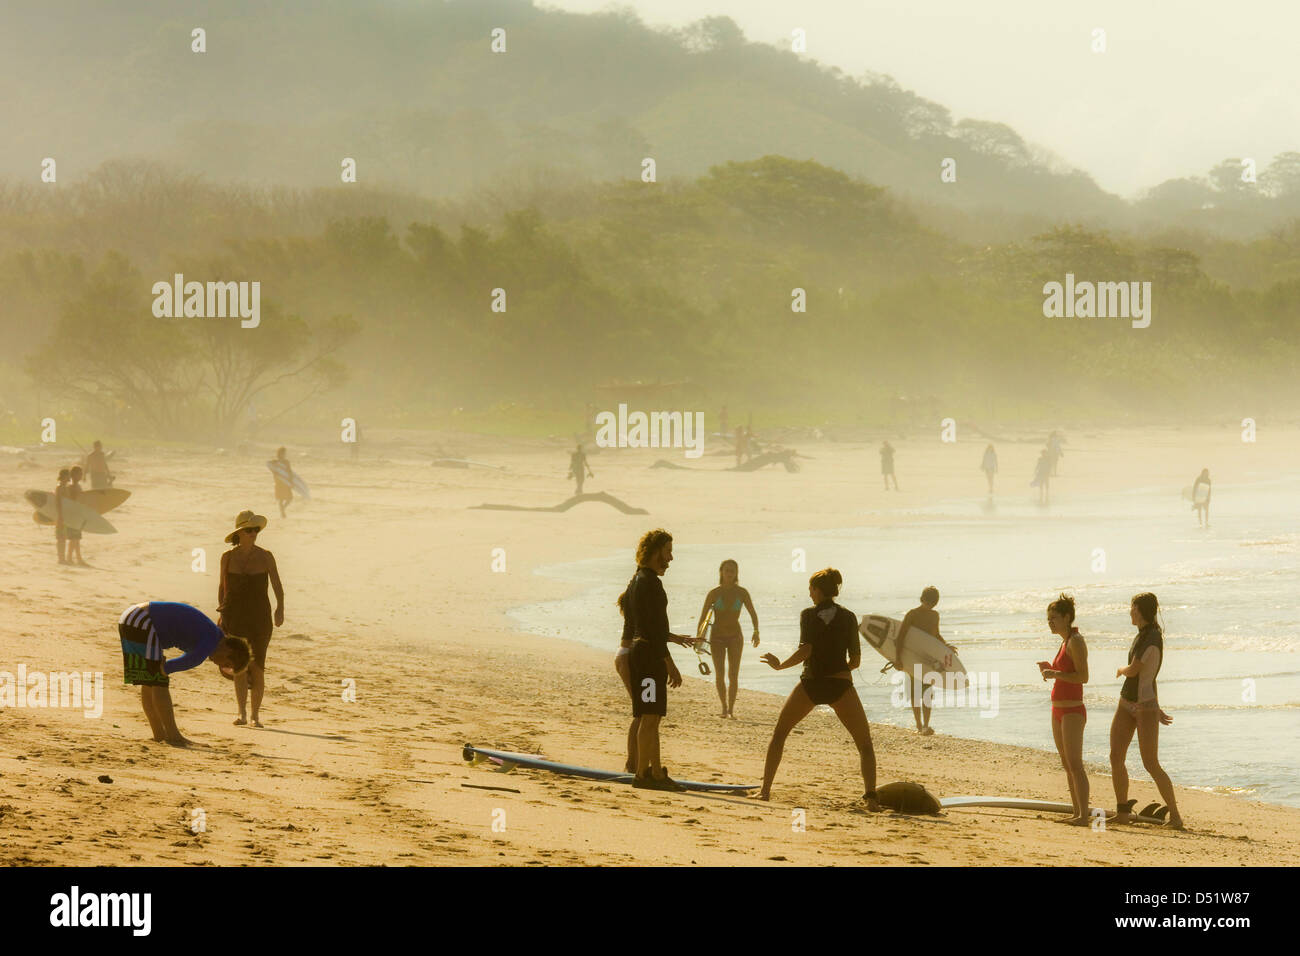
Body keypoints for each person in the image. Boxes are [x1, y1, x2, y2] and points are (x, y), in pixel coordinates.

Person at [759, 568, 880, 809]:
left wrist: (781, 666)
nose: (809, 593)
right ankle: (871, 799)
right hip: (840, 685)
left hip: (812, 684)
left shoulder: (808, 615)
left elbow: (807, 650)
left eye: (811, 589)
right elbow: (855, 661)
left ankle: (764, 792)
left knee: (779, 734)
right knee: (865, 744)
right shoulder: (848, 617)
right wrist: (839, 670)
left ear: (818, 590)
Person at [118, 600, 251, 746]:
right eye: (226, 664)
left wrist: (160, 666)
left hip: (131, 616)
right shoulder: (210, 642)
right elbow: (167, 668)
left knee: (149, 679)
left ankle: (159, 735)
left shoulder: (212, 633)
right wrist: (163, 667)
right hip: (142, 620)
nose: (219, 665)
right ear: (229, 650)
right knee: (158, 679)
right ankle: (174, 736)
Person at [624, 528, 695, 791]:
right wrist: (670, 663)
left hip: (642, 653)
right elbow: (651, 630)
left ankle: (653, 772)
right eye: (667, 552)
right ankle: (643, 775)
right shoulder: (649, 583)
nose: (671, 558)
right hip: (648, 657)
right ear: (655, 553)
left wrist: (673, 640)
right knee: (650, 716)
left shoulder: (638, 580)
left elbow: (647, 626)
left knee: (650, 716)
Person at [1110, 592, 1183, 829]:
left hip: (1144, 707)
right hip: (1127, 703)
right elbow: (1150, 676)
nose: (1129, 611)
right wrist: (1159, 704)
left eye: (1132, 608)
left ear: (1140, 610)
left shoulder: (1151, 636)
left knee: (1150, 763)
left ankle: (1176, 816)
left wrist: (1120, 669)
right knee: (1115, 756)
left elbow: (1136, 669)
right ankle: (1122, 811)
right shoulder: (1142, 635)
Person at [218, 511, 285, 728]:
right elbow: (222, 587)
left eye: (256, 530)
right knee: (239, 666)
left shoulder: (265, 556)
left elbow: (277, 585)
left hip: (260, 618)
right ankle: (241, 713)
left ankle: (255, 716)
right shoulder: (227, 558)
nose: (254, 533)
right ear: (240, 532)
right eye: (249, 530)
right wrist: (221, 613)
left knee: (257, 666)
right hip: (234, 616)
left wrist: (280, 609)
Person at [1037, 594, 1089, 825]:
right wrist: (1051, 669)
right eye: (1048, 618)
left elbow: (1083, 676)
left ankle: (1083, 816)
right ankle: (1077, 812)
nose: (1050, 622)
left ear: (1067, 617)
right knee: (1066, 763)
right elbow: (1067, 673)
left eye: (1054, 618)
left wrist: (1055, 673)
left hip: (1072, 711)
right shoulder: (1064, 641)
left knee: (1075, 764)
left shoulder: (1076, 641)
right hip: (1058, 709)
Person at [694, 559, 760, 718]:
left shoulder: (742, 593)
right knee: (720, 673)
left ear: (736, 573)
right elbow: (703, 618)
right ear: (721, 572)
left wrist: (756, 631)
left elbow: (752, 613)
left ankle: (731, 708)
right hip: (717, 637)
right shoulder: (714, 593)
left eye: (732, 571)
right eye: (727, 570)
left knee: (733, 674)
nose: (729, 573)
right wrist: (699, 638)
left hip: (735, 637)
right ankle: (723, 707)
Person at [896, 587, 956, 735]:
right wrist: (897, 659)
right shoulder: (912, 614)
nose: (930, 605)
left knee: (927, 691)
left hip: (929, 658)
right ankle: (919, 725)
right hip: (912, 658)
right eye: (929, 601)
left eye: (933, 602)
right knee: (916, 692)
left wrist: (946, 646)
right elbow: (900, 637)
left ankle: (925, 725)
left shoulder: (935, 615)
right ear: (923, 599)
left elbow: (935, 636)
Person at [64, 466, 88, 566]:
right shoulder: (70, 487)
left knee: (77, 538)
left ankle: (78, 558)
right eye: (79, 474)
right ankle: (70, 558)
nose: (81, 476)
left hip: (78, 515)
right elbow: (69, 501)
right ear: (73, 475)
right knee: (73, 538)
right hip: (72, 515)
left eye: (81, 474)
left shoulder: (78, 486)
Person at [53, 468, 71, 565]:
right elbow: (58, 502)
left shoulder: (64, 487)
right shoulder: (59, 487)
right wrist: (60, 516)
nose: (69, 477)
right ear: (64, 476)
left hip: (64, 514)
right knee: (60, 537)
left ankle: (63, 558)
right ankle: (61, 559)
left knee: (63, 537)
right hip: (60, 515)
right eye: (68, 475)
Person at [271, 447, 295, 518]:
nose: (284, 454)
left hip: (286, 482)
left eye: (284, 453)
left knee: (290, 498)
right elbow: (274, 472)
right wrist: (276, 479)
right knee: (281, 498)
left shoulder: (286, 462)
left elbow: (289, 472)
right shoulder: (275, 462)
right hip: (279, 482)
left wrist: (291, 481)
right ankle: (282, 512)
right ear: (279, 453)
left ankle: (283, 509)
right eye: (283, 453)